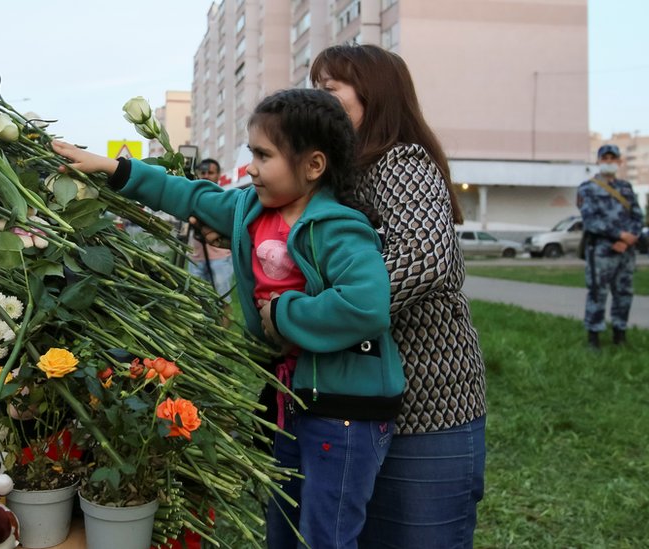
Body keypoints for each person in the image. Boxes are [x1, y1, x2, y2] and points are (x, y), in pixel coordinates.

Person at [53, 88, 404, 549]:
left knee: (327, 533)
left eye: (264, 154)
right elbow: (189, 196)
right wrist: (115, 168)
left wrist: (283, 311)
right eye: (251, 153)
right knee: (285, 523)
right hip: (292, 399)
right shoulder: (251, 211)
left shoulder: (338, 228)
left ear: (313, 166)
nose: (252, 166)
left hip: (345, 409)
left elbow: (365, 306)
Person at [310, 44, 487, 548]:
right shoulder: (340, 179)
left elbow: (423, 256)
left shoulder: (400, 162)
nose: (317, 100)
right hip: (359, 407)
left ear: (374, 94)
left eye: (329, 89)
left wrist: (319, 316)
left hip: (429, 406)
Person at [577, 144, 644, 349]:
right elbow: (590, 220)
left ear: (619, 162)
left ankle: (619, 333)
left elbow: (637, 216)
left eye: (612, 158)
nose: (609, 162)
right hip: (601, 250)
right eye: (604, 158)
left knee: (624, 292)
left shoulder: (626, 187)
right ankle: (594, 336)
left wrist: (627, 239)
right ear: (598, 161)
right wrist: (619, 235)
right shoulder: (587, 187)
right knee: (598, 292)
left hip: (626, 250)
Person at [188, 159, 235, 320]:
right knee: (195, 299)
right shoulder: (193, 196)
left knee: (223, 299)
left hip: (220, 257)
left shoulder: (224, 197)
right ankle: (203, 333)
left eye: (211, 172)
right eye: (203, 172)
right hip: (196, 257)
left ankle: (223, 336)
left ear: (218, 175)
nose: (206, 176)